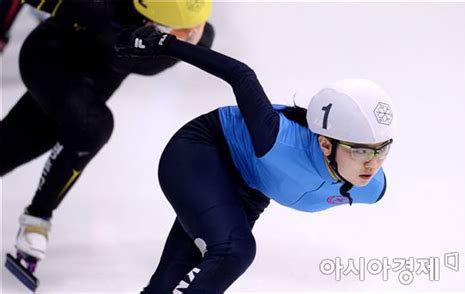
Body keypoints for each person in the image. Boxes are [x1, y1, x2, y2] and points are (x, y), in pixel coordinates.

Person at [115, 25, 396, 292]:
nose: (372, 163)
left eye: (382, 149)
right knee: (235, 250)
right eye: (360, 150)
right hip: (202, 153)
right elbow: (241, 75)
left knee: (166, 286)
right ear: (325, 144)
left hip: (248, 190)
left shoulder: (371, 187)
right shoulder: (277, 138)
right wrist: (165, 43)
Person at [0, 0, 214, 281]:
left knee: (16, 144)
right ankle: (38, 218)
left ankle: (37, 216)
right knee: (93, 126)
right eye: (184, 31)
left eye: (195, 29)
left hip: (95, 81)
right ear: (149, 22)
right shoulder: (97, 7)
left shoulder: (199, 36)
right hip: (49, 61)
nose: (193, 35)